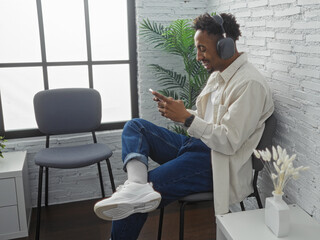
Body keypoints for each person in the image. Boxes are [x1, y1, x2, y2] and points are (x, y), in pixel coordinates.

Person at [93, 12, 274, 239]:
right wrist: (181, 112)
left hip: (218, 163)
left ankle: (137, 191)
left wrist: (186, 119)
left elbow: (229, 141)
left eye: (203, 49)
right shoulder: (220, 74)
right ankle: (135, 186)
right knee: (135, 127)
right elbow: (211, 120)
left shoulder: (249, 84)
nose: (198, 56)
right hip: (198, 145)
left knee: (136, 199)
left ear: (225, 46)